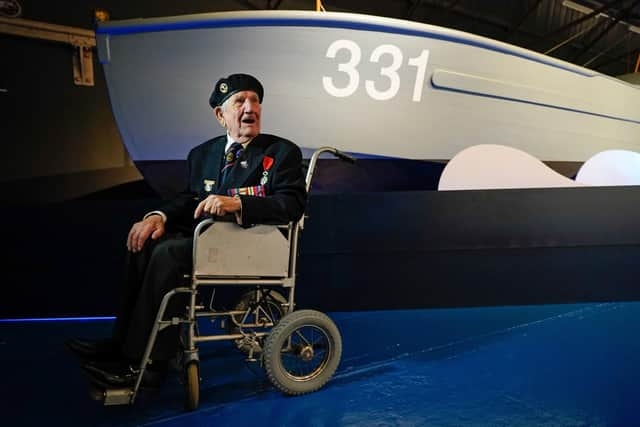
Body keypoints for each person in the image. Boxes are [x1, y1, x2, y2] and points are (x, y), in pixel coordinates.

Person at [66, 73, 307, 388]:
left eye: (255, 100)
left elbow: (291, 205)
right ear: (220, 115)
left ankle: (148, 365)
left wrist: (237, 204)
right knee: (145, 242)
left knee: (168, 254)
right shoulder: (202, 154)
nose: (250, 107)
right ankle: (121, 345)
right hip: (206, 241)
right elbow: (188, 199)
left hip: (249, 243)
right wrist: (157, 217)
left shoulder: (281, 152)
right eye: (240, 101)